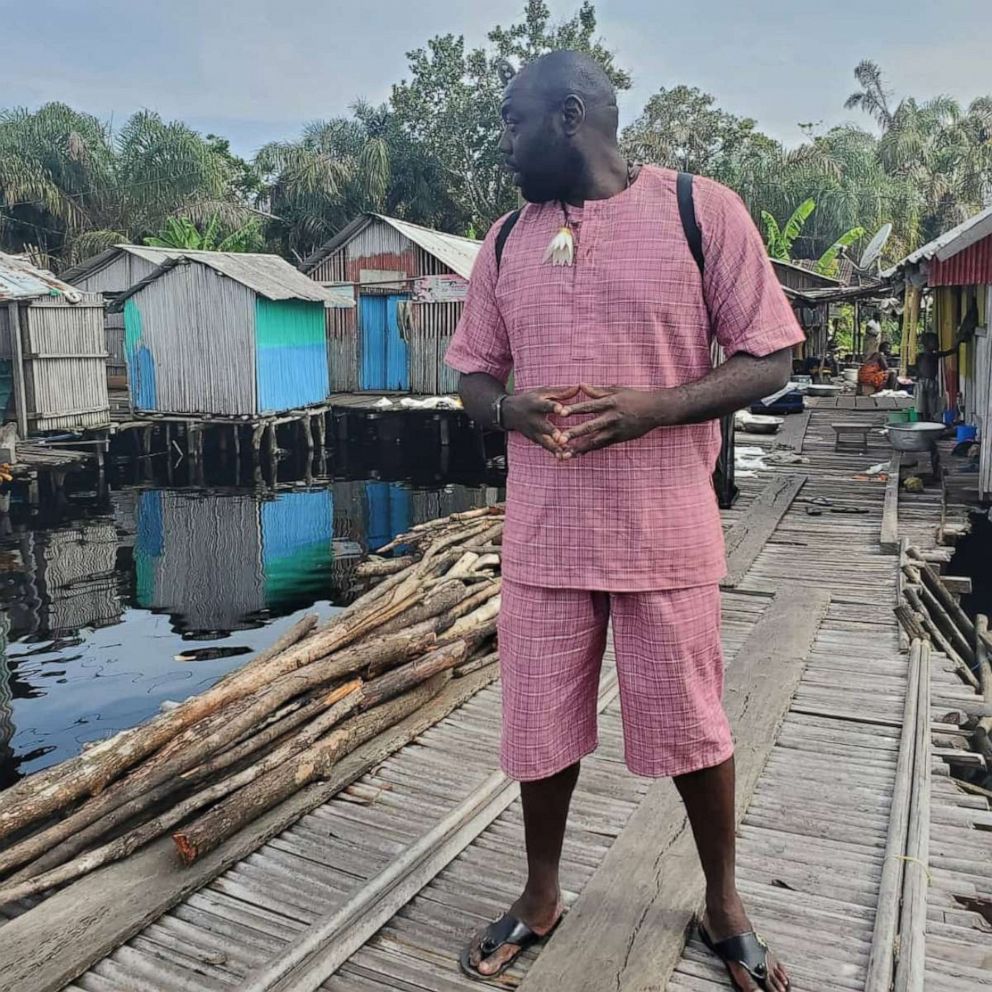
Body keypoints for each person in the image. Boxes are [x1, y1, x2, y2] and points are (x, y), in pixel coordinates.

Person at [446, 51, 803, 992]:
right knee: (538, 725)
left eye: (514, 124)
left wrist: (653, 408)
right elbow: (474, 373)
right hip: (544, 538)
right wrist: (505, 409)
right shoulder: (505, 241)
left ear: (570, 117)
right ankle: (540, 893)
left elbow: (769, 358)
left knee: (694, 723)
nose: (506, 145)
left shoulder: (700, 210)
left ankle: (723, 900)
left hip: (665, 531)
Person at [917, 302, 978, 422]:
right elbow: (952, 351)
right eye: (935, 342)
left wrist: (959, 340)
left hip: (930, 383)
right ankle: (923, 422)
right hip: (923, 382)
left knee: (930, 405)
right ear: (927, 344)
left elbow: (952, 351)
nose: (938, 344)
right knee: (922, 406)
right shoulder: (926, 356)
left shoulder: (931, 355)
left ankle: (928, 422)